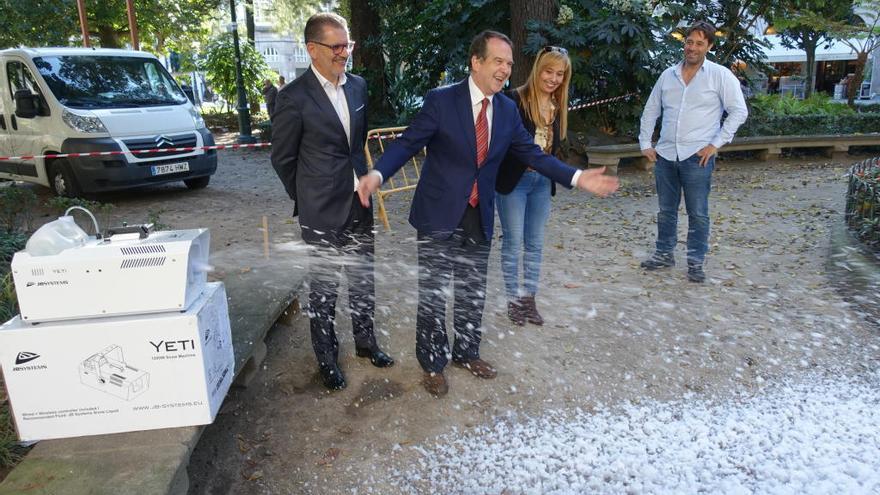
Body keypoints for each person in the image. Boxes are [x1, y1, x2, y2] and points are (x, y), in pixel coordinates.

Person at [358, 31, 618, 397]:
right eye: (499, 61)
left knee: (471, 289)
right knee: (433, 292)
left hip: (479, 213)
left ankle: (466, 352)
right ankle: (432, 363)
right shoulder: (441, 100)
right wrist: (377, 174)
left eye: (510, 64)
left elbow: (534, 155)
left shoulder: (509, 109)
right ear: (476, 62)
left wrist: (576, 177)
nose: (506, 70)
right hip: (438, 212)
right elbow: (407, 144)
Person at [271, 12, 393, 391]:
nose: (345, 53)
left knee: (362, 279)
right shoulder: (293, 97)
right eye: (337, 46)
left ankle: (366, 343)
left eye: (348, 45)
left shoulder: (358, 86)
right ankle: (327, 358)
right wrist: (306, 196)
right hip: (319, 209)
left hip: (360, 202)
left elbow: (355, 146)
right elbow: (282, 158)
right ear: (313, 49)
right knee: (324, 289)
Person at [639, 21, 748, 283]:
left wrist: (716, 144)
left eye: (700, 43)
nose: (693, 47)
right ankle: (664, 253)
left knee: (698, 212)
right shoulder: (668, 75)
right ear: (684, 43)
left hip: (697, 157)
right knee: (666, 210)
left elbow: (739, 111)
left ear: (709, 46)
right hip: (666, 155)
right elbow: (651, 110)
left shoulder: (720, 75)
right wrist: (645, 143)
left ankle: (696, 261)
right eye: (689, 42)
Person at [495, 45, 572, 327]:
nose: (553, 78)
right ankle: (513, 300)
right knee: (513, 243)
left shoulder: (558, 105)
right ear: (537, 69)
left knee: (535, 244)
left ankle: (529, 299)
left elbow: (553, 148)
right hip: (514, 182)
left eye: (559, 74)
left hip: (542, 183)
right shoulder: (513, 99)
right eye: (548, 71)